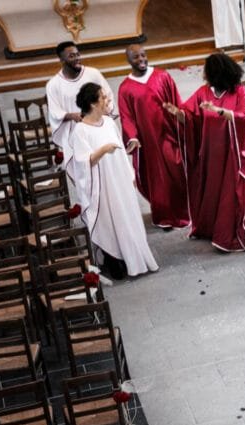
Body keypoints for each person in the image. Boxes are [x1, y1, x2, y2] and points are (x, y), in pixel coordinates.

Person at [164, 53, 245, 252]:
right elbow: (190, 115)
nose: (204, 74)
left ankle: (229, 236)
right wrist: (178, 113)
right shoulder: (203, 92)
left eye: (207, 70)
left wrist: (219, 111)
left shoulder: (239, 92)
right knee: (212, 193)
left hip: (233, 155)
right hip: (210, 155)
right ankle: (210, 228)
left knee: (230, 195)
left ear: (217, 73)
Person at [68, 83, 158, 279]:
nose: (107, 100)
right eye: (102, 97)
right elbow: (83, 163)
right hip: (103, 186)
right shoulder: (81, 131)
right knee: (109, 220)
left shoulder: (108, 122)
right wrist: (102, 150)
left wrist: (130, 174)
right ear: (92, 104)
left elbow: (120, 152)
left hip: (120, 180)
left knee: (127, 218)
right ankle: (113, 258)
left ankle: (133, 258)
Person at [117, 44, 192, 231]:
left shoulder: (162, 76)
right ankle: (164, 216)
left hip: (169, 134)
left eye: (143, 55)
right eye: (136, 57)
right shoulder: (125, 88)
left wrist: (180, 116)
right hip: (148, 142)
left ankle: (184, 212)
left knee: (177, 172)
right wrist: (132, 137)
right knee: (157, 179)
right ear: (128, 60)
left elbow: (177, 102)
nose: (141, 59)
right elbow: (126, 117)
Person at [46, 41, 115, 169]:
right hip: (76, 134)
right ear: (61, 59)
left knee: (106, 167)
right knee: (85, 169)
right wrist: (73, 116)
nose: (77, 58)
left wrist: (105, 111)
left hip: (98, 130)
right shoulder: (53, 85)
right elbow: (55, 113)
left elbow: (108, 96)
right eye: (71, 56)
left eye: (78, 54)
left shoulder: (93, 74)